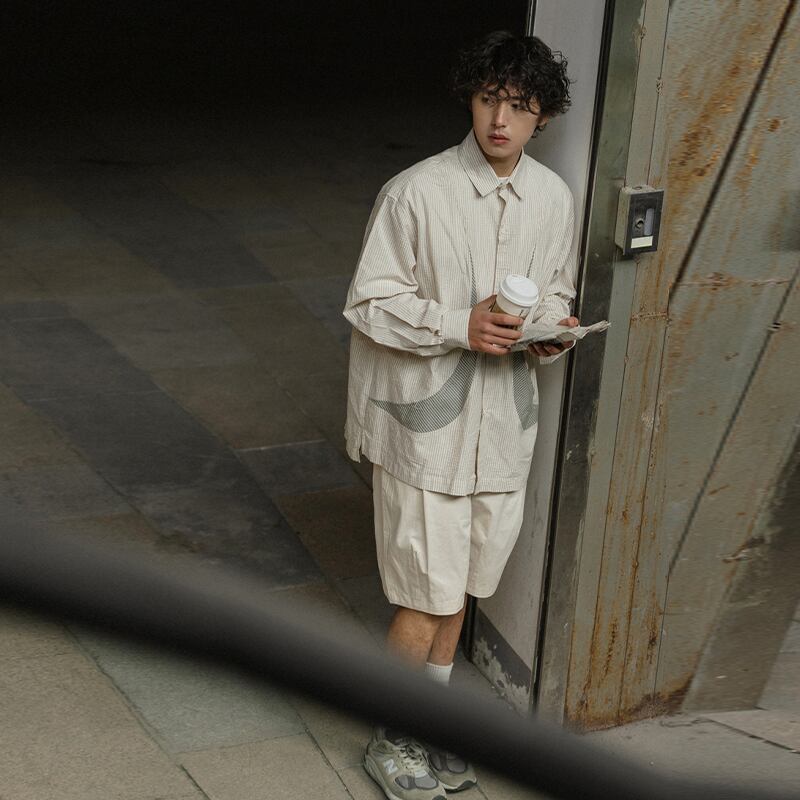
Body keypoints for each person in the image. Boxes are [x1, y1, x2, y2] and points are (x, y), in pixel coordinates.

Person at [343, 30, 576, 800]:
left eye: (519, 106)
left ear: (543, 116)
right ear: (470, 100)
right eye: (488, 100)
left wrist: (552, 332)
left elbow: (557, 290)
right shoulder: (416, 193)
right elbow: (369, 303)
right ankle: (392, 734)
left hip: (502, 433)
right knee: (426, 596)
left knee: (464, 588)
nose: (500, 120)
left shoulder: (553, 199)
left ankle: (430, 724)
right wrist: (457, 324)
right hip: (425, 437)